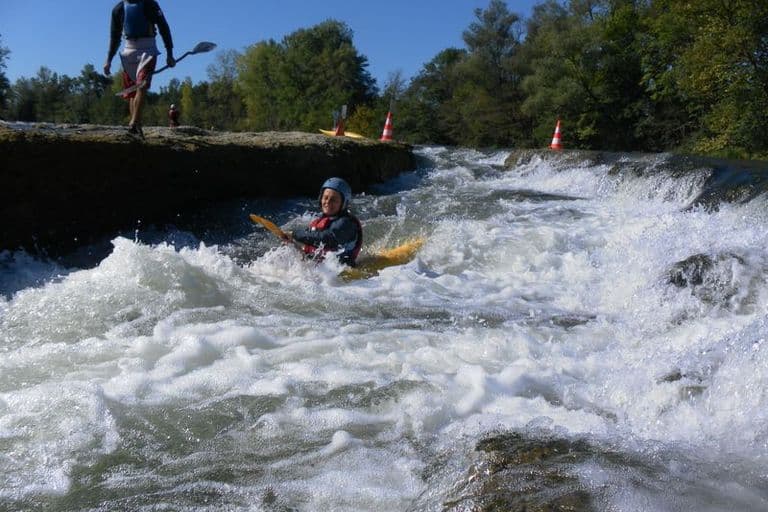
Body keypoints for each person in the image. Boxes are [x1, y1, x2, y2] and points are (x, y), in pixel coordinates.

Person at [104, 0, 176, 138]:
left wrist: (170, 54)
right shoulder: (118, 9)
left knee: (142, 85)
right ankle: (136, 128)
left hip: (148, 49)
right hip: (129, 50)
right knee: (131, 93)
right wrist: (109, 60)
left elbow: (164, 28)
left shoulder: (150, 5)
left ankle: (133, 123)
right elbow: (115, 36)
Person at [282, 177, 363, 266]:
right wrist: (294, 244)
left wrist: (295, 234)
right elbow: (310, 251)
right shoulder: (318, 222)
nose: (327, 202)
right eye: (325, 197)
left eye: (333, 200)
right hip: (323, 270)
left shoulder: (348, 224)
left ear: (343, 203)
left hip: (344, 271)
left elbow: (328, 239)